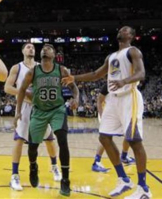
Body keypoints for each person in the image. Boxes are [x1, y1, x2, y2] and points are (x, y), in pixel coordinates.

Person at [63, 26, 152, 199]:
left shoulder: (133, 51)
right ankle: (124, 180)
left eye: (126, 30)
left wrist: (124, 81)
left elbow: (141, 73)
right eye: (120, 29)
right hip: (113, 99)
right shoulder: (111, 56)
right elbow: (96, 74)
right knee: (104, 137)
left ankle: (143, 188)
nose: (121, 30)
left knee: (134, 140)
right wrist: (75, 78)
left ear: (131, 36)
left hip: (129, 97)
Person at [16, 44, 79, 196]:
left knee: (62, 140)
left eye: (49, 48)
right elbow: (22, 90)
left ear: (54, 54)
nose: (45, 49)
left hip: (57, 110)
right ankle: (33, 167)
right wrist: (18, 112)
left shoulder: (61, 70)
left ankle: (65, 180)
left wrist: (76, 98)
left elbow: (74, 88)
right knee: (32, 146)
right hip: (38, 111)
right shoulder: (33, 72)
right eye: (44, 48)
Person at [5, 43, 61, 191]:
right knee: (19, 139)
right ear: (22, 50)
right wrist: (24, 94)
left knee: (49, 139)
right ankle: (14, 175)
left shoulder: (41, 66)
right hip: (24, 107)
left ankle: (55, 167)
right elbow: (7, 87)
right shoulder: (17, 68)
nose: (31, 49)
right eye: (28, 47)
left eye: (33, 48)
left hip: (41, 107)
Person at [92, 84, 135, 173]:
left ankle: (124, 156)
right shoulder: (109, 84)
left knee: (129, 133)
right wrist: (101, 115)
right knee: (106, 137)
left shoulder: (126, 84)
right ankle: (97, 162)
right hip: (108, 114)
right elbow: (99, 100)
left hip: (121, 113)